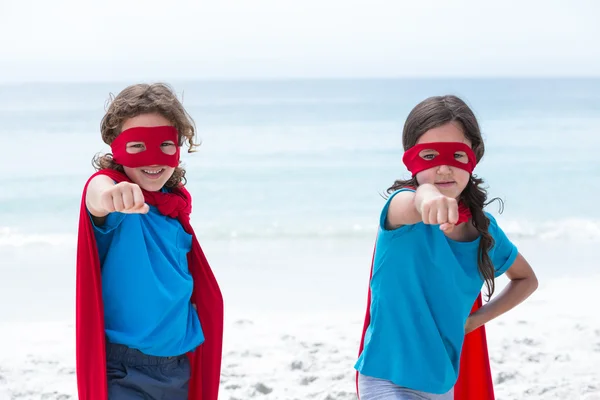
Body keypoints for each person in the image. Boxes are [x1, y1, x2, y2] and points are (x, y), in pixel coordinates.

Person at [355, 95, 538, 400]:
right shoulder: (400, 212)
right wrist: (427, 198)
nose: (443, 169)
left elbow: (526, 279)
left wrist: (474, 321)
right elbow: (416, 199)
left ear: (474, 158)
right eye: (429, 156)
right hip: (385, 379)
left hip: (442, 386)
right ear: (410, 159)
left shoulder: (484, 231)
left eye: (456, 156)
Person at [75, 83, 224, 400]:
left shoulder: (172, 205)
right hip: (125, 371)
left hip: (178, 368)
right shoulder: (120, 202)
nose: (152, 158)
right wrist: (109, 194)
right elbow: (96, 195)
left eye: (164, 145)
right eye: (137, 145)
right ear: (115, 148)